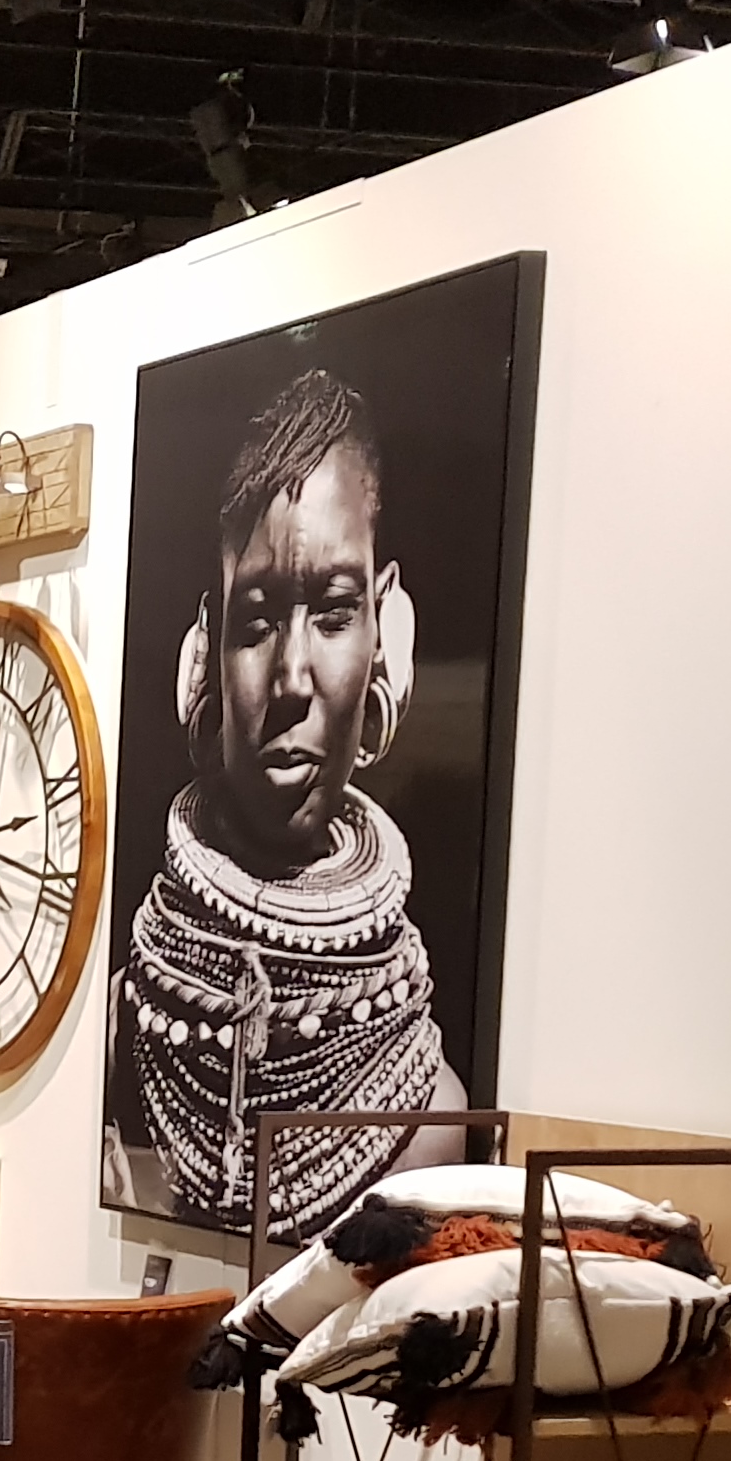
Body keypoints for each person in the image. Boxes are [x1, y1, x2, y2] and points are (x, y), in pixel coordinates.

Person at [104, 367, 464, 1237]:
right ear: (206, 652)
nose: (293, 678)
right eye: (257, 622)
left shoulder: (430, 1118)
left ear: (386, 634)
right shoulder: (121, 1038)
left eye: (334, 613)